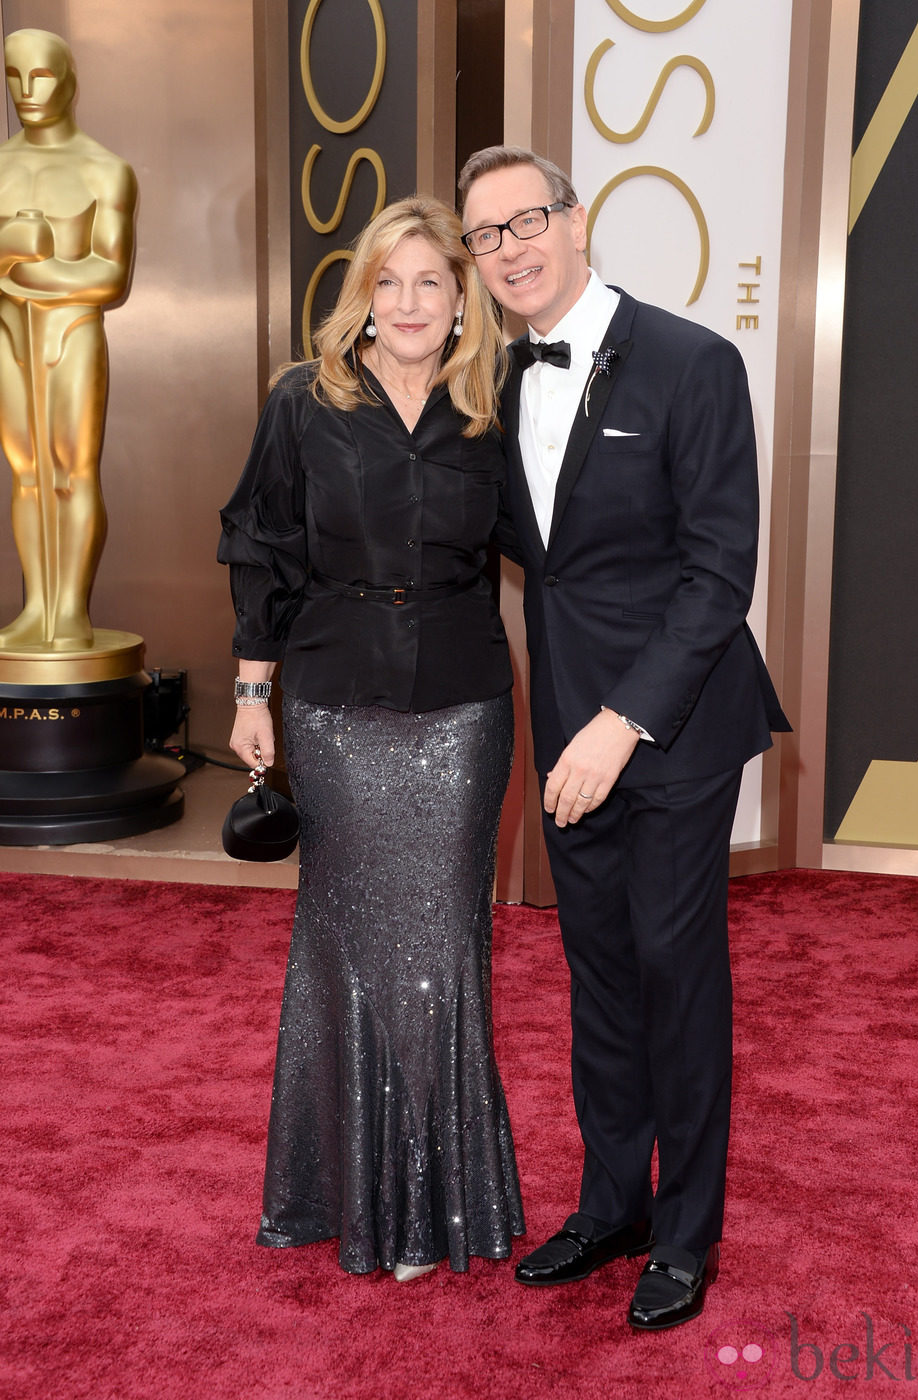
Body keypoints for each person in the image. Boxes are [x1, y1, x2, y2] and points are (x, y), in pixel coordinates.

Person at [459, 147, 789, 1329]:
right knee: (595, 968)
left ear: (577, 217)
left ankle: (686, 1232)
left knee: (672, 966)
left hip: (675, 726)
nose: (510, 247)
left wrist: (619, 721)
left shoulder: (693, 361)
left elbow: (717, 574)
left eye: (527, 218)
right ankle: (613, 1203)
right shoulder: (491, 383)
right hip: (566, 731)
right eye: (485, 235)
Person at [218, 195, 524, 1281]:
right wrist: (252, 690)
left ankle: (441, 1200)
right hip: (337, 705)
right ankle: (347, 1196)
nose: (406, 302)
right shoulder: (305, 402)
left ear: (460, 300)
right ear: (363, 295)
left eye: (428, 283)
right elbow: (258, 542)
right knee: (346, 945)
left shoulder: (495, 405)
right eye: (387, 282)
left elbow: (553, 540)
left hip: (459, 710)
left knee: (442, 949)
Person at [0, 28, 136, 651]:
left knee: (72, 472)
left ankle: (70, 611)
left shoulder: (104, 171)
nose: (27, 91)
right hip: (10, 334)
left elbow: (110, 274)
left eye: (42, 76)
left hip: (72, 332)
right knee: (26, 473)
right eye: (14, 76)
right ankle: (37, 607)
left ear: (69, 80)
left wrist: (29, 268)